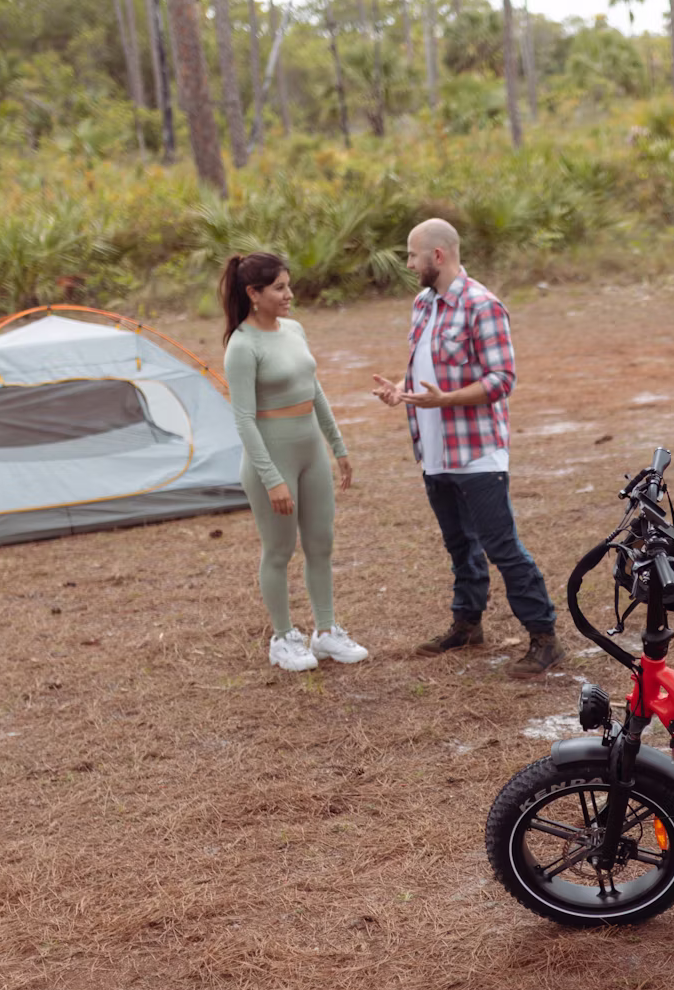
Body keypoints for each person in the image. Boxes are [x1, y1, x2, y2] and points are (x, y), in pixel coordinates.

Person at [372, 218, 560, 678]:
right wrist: (401, 391)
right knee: (459, 545)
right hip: (434, 451)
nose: (409, 264)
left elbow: (502, 380)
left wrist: (447, 400)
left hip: (477, 453)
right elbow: (428, 370)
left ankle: (545, 638)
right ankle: (467, 624)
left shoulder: (482, 305)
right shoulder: (423, 304)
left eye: (413, 255)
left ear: (437, 255)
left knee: (502, 546)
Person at [220, 252, 369, 672]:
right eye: (279, 288)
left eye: (289, 285)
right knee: (279, 550)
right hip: (272, 459)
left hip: (310, 452)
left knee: (321, 543)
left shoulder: (294, 329)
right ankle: (284, 638)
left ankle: (326, 631)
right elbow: (244, 420)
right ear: (253, 294)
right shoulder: (242, 346)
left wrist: (337, 446)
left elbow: (314, 390)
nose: (289, 295)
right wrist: (272, 479)